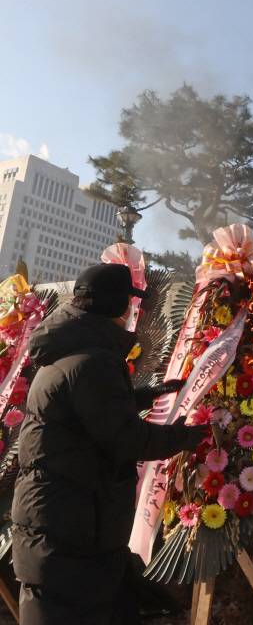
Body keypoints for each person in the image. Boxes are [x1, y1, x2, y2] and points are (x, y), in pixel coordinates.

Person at [11, 263, 207, 625]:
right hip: (71, 533)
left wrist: (144, 396)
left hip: (59, 524)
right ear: (118, 306)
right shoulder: (93, 361)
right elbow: (127, 438)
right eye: (129, 303)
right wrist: (188, 435)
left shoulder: (68, 351)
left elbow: (87, 412)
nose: (131, 312)